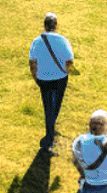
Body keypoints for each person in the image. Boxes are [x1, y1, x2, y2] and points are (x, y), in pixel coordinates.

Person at [29, 12, 74, 153]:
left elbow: (32, 62)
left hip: (43, 79)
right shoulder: (63, 40)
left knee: (47, 105)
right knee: (56, 105)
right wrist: (68, 72)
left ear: (44, 25)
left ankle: (49, 132)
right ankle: (50, 133)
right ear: (56, 25)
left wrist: (36, 77)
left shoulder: (36, 41)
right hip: (60, 78)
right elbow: (69, 61)